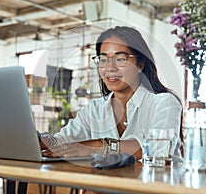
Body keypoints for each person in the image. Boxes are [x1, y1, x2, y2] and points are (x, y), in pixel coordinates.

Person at [39, 26, 183, 164]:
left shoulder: (164, 103)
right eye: (103, 59)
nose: (110, 68)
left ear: (140, 64)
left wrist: (99, 145)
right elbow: (62, 141)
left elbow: (158, 149)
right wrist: (38, 139)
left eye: (120, 58)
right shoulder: (95, 109)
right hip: (112, 185)